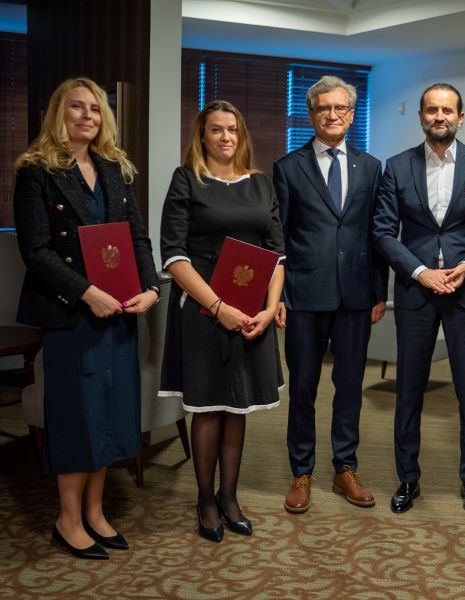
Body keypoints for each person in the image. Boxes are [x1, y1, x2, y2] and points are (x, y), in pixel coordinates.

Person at [13, 77, 160, 559]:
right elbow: (35, 251)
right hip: (69, 314)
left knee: (112, 415)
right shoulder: (35, 171)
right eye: (76, 107)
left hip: (118, 311)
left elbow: (137, 237)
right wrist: (85, 293)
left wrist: (150, 287)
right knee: (77, 417)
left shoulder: (113, 168)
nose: (86, 116)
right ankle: (68, 519)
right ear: (59, 113)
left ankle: (97, 513)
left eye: (95, 110)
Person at [372, 83, 465, 515]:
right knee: (408, 391)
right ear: (421, 116)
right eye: (432, 110)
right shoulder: (396, 167)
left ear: (461, 117)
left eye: (447, 110)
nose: (439, 117)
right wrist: (420, 272)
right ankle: (407, 479)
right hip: (415, 292)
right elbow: (381, 232)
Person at [159, 100, 285, 543]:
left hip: (253, 312)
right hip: (202, 310)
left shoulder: (260, 184)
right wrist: (218, 307)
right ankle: (206, 499)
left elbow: (277, 253)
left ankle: (230, 496)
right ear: (202, 135)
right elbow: (173, 255)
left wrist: (270, 309)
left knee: (238, 406)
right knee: (209, 406)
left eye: (233, 129)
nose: (226, 137)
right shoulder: (186, 180)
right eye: (217, 130)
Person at [274, 76, 387, 514]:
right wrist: (277, 296)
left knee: (349, 387)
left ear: (352, 114)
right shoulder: (288, 166)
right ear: (311, 113)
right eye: (324, 108)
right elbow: (278, 238)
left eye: (340, 108)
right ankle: (301, 472)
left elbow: (379, 234)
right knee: (303, 387)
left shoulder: (371, 167)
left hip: (357, 295)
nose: (332, 115)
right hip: (303, 294)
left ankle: (345, 469)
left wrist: (380, 290)